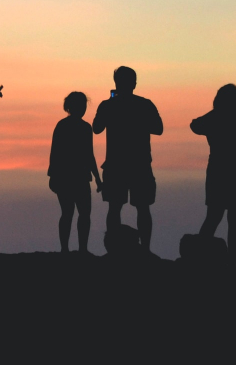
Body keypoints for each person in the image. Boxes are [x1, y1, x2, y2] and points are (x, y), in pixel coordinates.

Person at [93, 66, 164, 254]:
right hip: (139, 164)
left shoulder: (108, 105)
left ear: (116, 83)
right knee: (142, 208)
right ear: (134, 83)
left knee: (115, 207)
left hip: (116, 165)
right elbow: (158, 128)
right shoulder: (145, 104)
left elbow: (96, 127)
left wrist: (111, 105)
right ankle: (146, 250)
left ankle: (114, 250)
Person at [190, 84, 236, 264]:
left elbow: (195, 124)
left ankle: (199, 258)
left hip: (219, 173)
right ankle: (230, 263)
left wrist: (217, 113)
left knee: (214, 217)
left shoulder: (215, 120)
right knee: (234, 221)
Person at [47, 92, 102, 254]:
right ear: (71, 107)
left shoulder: (79, 127)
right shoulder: (72, 127)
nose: (83, 109)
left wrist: (97, 179)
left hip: (76, 177)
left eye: (84, 105)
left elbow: (89, 155)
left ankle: (78, 249)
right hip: (70, 177)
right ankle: (72, 249)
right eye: (81, 105)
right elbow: (56, 153)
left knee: (77, 214)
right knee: (74, 213)